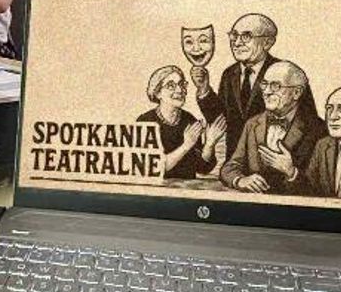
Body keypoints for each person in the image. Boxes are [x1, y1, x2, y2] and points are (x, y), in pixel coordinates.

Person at [192, 12, 316, 163]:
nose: (237, 43)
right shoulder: (230, 74)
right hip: (236, 166)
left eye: (246, 36)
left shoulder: (286, 73)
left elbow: (309, 124)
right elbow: (221, 120)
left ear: (267, 43)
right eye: (234, 36)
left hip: (275, 166)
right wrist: (204, 89)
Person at [221, 60, 324, 194]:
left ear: (297, 92)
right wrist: (240, 180)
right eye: (264, 84)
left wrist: (292, 173)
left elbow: (321, 188)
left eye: (275, 86)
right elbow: (230, 167)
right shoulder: (252, 124)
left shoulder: (317, 129)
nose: (266, 91)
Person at [137, 65, 223, 179]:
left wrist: (210, 144)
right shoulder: (145, 121)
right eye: (171, 86)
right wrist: (186, 145)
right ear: (158, 93)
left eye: (182, 84)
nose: (179, 90)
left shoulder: (189, 119)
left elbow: (202, 168)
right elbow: (151, 167)